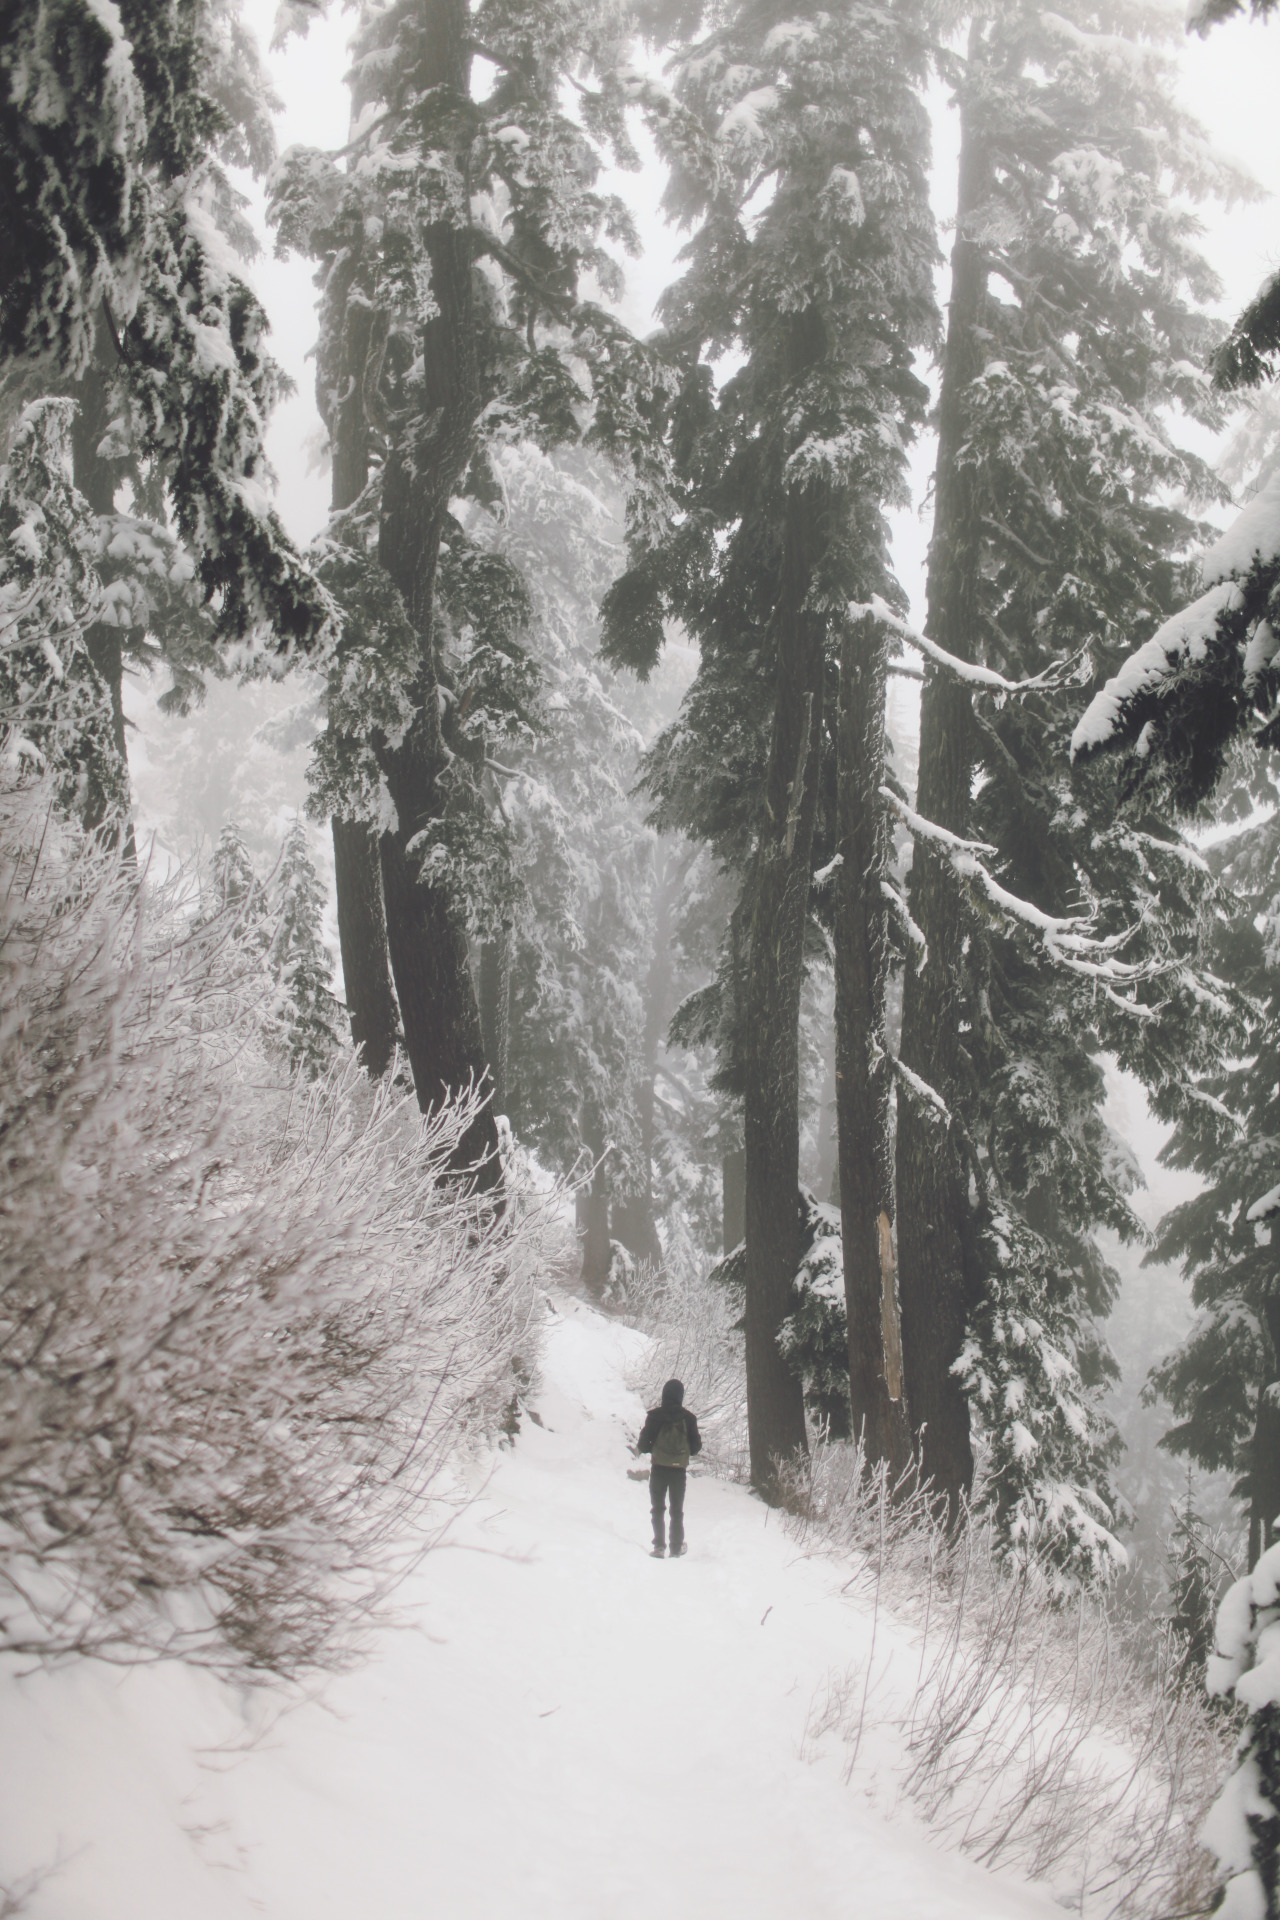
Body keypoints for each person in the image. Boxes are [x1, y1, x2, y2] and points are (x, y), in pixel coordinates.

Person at [636, 1378, 702, 1558]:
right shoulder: (689, 1418)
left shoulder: (655, 1416)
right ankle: (676, 1547)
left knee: (657, 1508)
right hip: (678, 1472)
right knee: (676, 1510)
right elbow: (696, 1448)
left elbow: (644, 1445)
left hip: (658, 1469)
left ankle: (659, 1546)